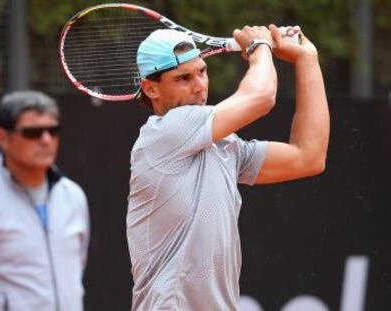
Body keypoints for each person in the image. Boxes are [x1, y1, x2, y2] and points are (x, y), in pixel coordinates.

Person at [127, 24, 329, 310]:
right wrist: (259, 47)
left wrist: (307, 60)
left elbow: (308, 156)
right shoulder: (163, 133)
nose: (199, 85)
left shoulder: (224, 146)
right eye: (183, 78)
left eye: (202, 71)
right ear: (151, 88)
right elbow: (261, 98)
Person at [0, 91, 90, 311]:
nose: (46, 140)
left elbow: (77, 267)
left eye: (53, 131)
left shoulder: (73, 196)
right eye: (33, 132)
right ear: (3, 138)